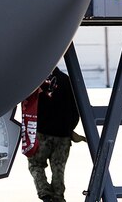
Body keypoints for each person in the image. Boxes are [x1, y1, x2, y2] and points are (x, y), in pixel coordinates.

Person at [21, 67, 80, 202]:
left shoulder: (36, 80)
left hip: (42, 134)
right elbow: (75, 109)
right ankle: (58, 196)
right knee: (58, 168)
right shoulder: (66, 80)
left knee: (36, 164)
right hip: (63, 136)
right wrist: (69, 129)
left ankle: (44, 193)